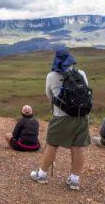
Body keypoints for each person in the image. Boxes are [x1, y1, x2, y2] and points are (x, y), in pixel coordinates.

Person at [30, 49, 91, 191]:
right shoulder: (81, 73)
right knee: (78, 147)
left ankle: (42, 175)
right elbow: (87, 93)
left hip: (60, 117)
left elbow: (49, 95)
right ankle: (74, 180)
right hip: (82, 116)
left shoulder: (51, 76)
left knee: (52, 145)